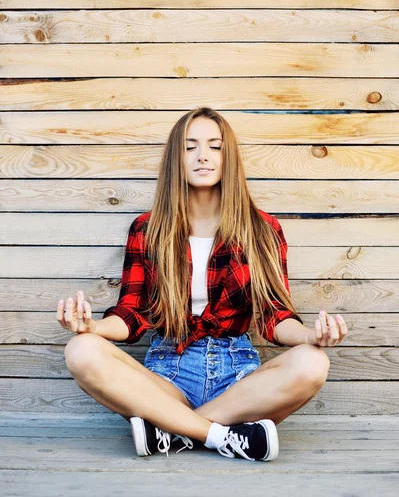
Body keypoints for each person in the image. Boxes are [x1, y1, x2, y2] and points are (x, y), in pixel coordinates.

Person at [57, 107, 348, 463]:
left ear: (230, 157)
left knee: (313, 364)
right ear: (175, 159)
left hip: (238, 378)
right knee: (81, 349)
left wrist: (311, 338)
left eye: (215, 146)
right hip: (166, 374)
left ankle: (172, 431)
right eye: (190, 146)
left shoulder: (262, 229)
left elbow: (275, 317)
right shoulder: (148, 229)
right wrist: (92, 327)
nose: (203, 156)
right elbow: (132, 313)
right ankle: (221, 436)